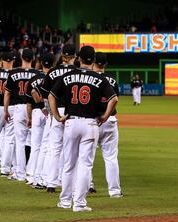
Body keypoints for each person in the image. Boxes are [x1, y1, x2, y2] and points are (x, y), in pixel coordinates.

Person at [48, 46, 118, 212]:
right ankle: (79, 203)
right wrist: (105, 117)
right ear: (93, 60)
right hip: (90, 124)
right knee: (85, 165)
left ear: (78, 59)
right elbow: (113, 99)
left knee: (69, 165)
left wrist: (57, 116)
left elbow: (51, 95)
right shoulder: (99, 78)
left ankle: (65, 201)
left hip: (71, 122)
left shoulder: (68, 76)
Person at [39, 44, 76, 193]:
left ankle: (51, 184)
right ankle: (73, 184)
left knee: (54, 148)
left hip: (56, 110)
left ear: (62, 55)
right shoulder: (78, 71)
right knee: (73, 150)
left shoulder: (53, 71)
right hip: (73, 111)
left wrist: (52, 113)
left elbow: (45, 95)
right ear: (75, 56)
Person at [4, 48, 40, 181]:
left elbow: (7, 93)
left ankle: (20, 173)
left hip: (19, 108)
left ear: (21, 57)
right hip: (34, 109)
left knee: (20, 141)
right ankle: (34, 172)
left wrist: (5, 110)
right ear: (33, 59)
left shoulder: (13, 73)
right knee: (35, 142)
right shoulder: (37, 73)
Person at [93, 52, 123, 198]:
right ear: (105, 64)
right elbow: (115, 98)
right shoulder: (112, 80)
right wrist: (105, 116)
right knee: (111, 157)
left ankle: (87, 186)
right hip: (109, 120)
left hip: (91, 121)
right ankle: (115, 191)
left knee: (86, 157)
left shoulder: (89, 78)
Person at [25, 53, 54, 186]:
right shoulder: (55, 77)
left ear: (41, 63)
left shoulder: (34, 78)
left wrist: (31, 115)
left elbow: (32, 94)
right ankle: (45, 175)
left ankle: (31, 174)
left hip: (37, 112)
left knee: (36, 146)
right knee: (48, 145)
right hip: (50, 112)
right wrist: (46, 106)